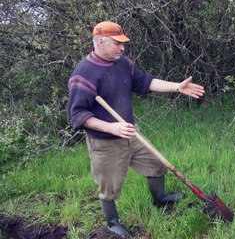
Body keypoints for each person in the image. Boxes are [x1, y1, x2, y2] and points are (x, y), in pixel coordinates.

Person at [67, 21, 205, 238]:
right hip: (105, 140)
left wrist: (177, 87)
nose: (122, 48)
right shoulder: (83, 74)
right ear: (100, 43)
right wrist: (111, 127)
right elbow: (78, 115)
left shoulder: (122, 63)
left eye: (123, 43)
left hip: (130, 131)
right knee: (109, 185)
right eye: (117, 43)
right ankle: (113, 224)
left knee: (156, 164)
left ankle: (160, 199)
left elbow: (146, 82)